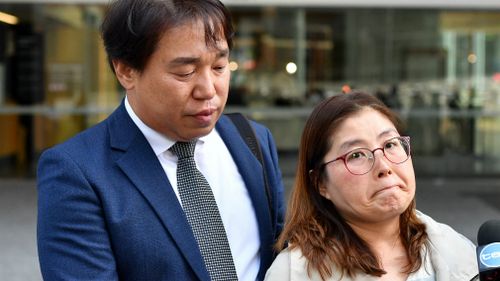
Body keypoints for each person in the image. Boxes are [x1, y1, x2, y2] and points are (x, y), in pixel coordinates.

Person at [37, 0, 285, 280]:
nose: (208, 90)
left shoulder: (253, 140)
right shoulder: (77, 171)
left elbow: (280, 257)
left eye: (219, 66)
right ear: (126, 71)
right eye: (185, 72)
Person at [265, 92, 477, 281]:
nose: (384, 166)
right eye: (356, 155)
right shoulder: (293, 273)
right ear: (320, 182)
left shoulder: (459, 251)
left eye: (390, 144)